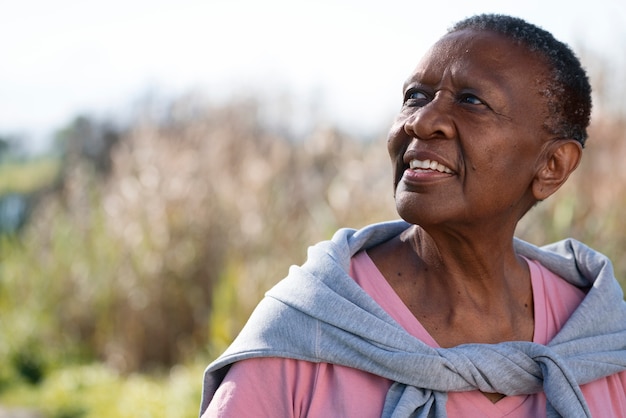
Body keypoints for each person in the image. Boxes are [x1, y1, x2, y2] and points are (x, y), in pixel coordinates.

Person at [199, 14, 626, 417]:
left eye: (471, 101)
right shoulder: (307, 327)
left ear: (551, 166)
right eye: (414, 97)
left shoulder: (597, 341)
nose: (423, 122)